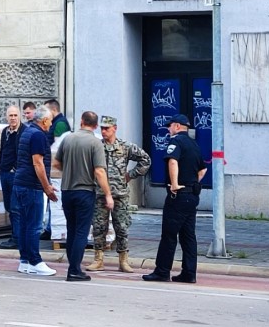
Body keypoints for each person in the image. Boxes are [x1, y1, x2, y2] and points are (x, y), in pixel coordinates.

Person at [143, 113, 207, 284]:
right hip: (192, 195)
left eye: (170, 126)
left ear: (177, 126)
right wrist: (191, 183)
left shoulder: (176, 142)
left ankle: (162, 271)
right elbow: (203, 170)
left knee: (169, 235)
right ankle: (189, 273)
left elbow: (172, 161)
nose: (168, 129)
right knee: (188, 236)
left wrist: (175, 184)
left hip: (179, 196)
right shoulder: (194, 144)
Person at [85, 116, 151, 272]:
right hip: (100, 193)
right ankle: (98, 259)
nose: (103, 131)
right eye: (102, 128)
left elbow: (145, 160)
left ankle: (123, 260)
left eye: (107, 128)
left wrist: (130, 175)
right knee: (99, 227)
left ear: (115, 128)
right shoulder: (97, 146)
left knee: (122, 227)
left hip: (120, 194)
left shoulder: (125, 146)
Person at [53, 111, 113, 282]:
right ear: (96, 125)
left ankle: (73, 267)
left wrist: (69, 170)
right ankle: (74, 270)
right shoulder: (95, 143)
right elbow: (99, 171)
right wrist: (108, 194)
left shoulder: (68, 139)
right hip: (85, 191)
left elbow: (56, 163)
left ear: (81, 122)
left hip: (67, 191)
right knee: (81, 231)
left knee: (71, 230)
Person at [11, 107, 59, 276]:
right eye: (50, 120)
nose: (51, 124)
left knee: (25, 224)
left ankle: (24, 261)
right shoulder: (38, 135)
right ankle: (35, 261)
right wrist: (47, 187)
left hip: (20, 183)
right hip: (31, 186)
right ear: (44, 120)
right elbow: (38, 163)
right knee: (34, 226)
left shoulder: (27, 131)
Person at [0, 105, 24, 250]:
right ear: (6, 117)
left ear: (19, 116)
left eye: (15, 115)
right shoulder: (5, 131)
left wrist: (15, 168)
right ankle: (15, 235)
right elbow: (3, 149)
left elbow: (23, 153)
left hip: (15, 174)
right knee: (8, 205)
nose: (13, 118)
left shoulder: (23, 131)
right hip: (4, 172)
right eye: (10, 115)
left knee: (15, 207)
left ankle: (17, 239)